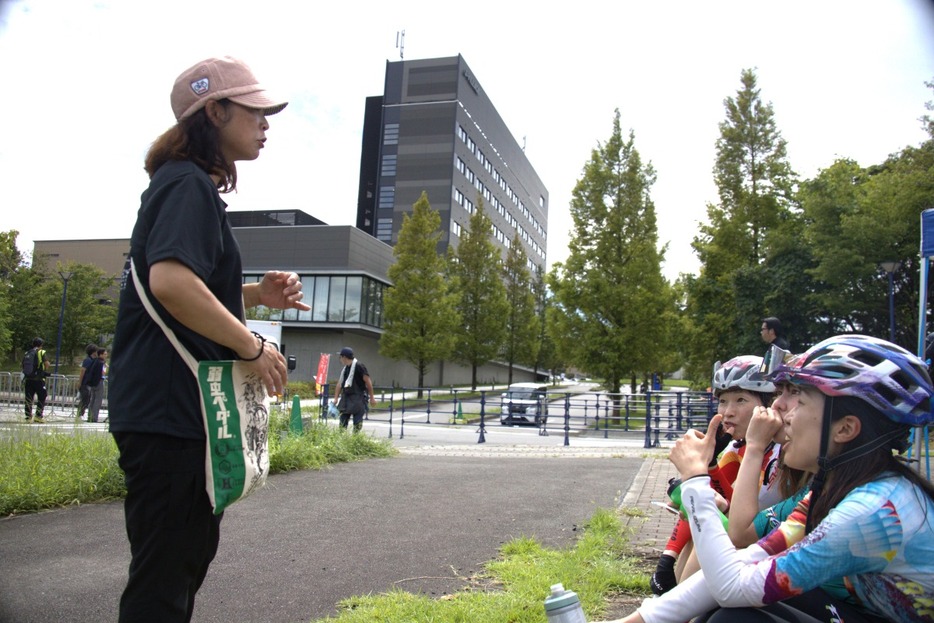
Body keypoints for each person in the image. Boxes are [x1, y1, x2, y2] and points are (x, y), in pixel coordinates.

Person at [107, 56, 309, 623]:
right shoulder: (187, 185)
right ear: (214, 111)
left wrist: (254, 295)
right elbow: (170, 282)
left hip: (170, 412)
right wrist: (253, 345)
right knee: (164, 584)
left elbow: (185, 285)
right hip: (171, 416)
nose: (266, 122)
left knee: (175, 571)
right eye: (255, 110)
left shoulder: (182, 185)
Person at [599, 335, 934, 623]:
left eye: (797, 398)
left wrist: (696, 483)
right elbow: (745, 556)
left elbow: (731, 583)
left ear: (845, 429)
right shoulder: (838, 486)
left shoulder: (872, 511)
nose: (778, 407)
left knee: (736, 616)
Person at [650, 355, 782, 594]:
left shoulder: (782, 452)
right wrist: (708, 466)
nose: (728, 412)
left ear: (769, 403)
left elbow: (739, 518)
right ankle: (671, 586)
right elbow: (725, 498)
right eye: (723, 401)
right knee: (700, 509)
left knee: (711, 524)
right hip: (748, 541)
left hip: (768, 549)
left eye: (740, 400)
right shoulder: (736, 447)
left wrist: (700, 475)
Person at [335, 346, 376, 432]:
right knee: (342, 423)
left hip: (358, 398)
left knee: (357, 424)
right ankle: (341, 441)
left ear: (344, 357)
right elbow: (339, 384)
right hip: (346, 398)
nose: (340, 359)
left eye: (340, 357)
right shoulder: (345, 369)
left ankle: (355, 440)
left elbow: (368, 382)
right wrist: (335, 398)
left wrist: (372, 398)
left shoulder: (359, 366)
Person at [22, 337, 50, 423]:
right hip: (39, 379)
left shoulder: (27, 353)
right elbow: (46, 364)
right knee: (42, 396)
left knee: (29, 398)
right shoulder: (41, 352)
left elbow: (22, 365)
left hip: (28, 379)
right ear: (41, 345)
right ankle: (38, 416)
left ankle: (28, 417)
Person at [76, 343, 98, 420]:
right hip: (84, 383)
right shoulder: (88, 360)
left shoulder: (93, 360)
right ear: (93, 352)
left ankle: (81, 414)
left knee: (87, 399)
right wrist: (80, 382)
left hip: (88, 383)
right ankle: (79, 414)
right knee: (85, 399)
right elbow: (83, 371)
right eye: (96, 351)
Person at [85, 347, 107, 423]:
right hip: (99, 382)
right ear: (100, 354)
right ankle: (94, 417)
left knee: (92, 400)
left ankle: (89, 416)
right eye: (105, 354)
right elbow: (103, 373)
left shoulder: (94, 361)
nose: (106, 355)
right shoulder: (102, 363)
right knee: (98, 400)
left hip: (92, 383)